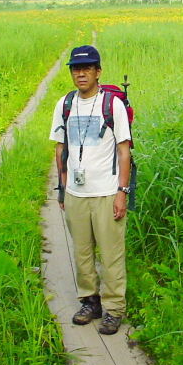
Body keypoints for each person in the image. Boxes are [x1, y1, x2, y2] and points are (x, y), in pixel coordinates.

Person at [50, 45, 132, 335]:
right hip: (75, 193)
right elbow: (60, 148)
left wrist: (122, 191)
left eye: (87, 68)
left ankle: (114, 308)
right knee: (82, 252)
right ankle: (90, 301)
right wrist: (62, 187)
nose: (81, 73)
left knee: (111, 254)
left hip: (107, 191)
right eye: (75, 68)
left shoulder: (112, 105)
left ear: (98, 71)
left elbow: (124, 150)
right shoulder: (65, 104)